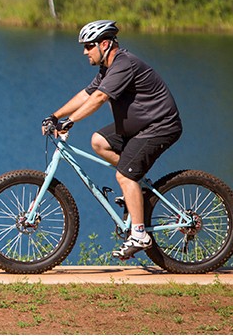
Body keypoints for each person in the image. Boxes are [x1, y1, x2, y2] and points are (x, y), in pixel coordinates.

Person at [42, 20, 182, 260]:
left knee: (124, 175)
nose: (84, 52)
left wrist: (70, 121)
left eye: (88, 46)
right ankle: (136, 188)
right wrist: (56, 115)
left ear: (104, 44)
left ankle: (139, 234)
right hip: (140, 127)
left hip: (159, 127)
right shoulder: (108, 68)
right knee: (99, 141)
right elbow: (86, 94)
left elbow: (98, 98)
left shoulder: (123, 64)